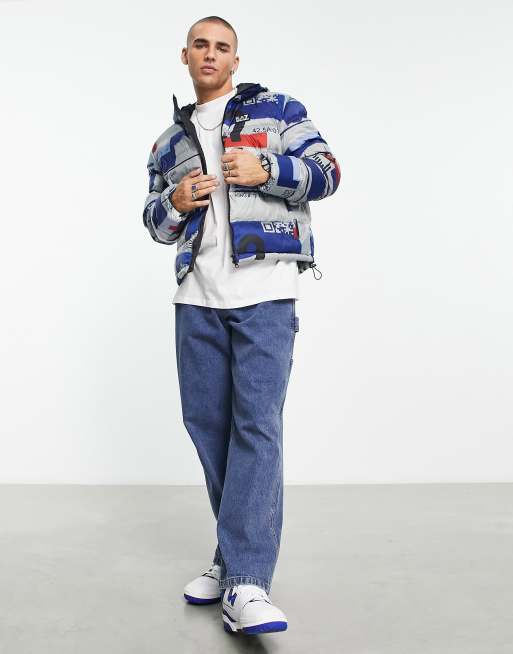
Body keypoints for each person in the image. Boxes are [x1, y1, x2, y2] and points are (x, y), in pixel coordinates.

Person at [142, 15, 341, 635]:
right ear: (185, 56)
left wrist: (269, 171)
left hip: (266, 294)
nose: (210, 54)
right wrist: (174, 203)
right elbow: (154, 222)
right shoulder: (168, 143)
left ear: (235, 59)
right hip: (196, 299)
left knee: (256, 428)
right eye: (200, 45)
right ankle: (231, 556)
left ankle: (249, 582)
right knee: (208, 428)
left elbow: (328, 171)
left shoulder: (278, 111)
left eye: (222, 46)